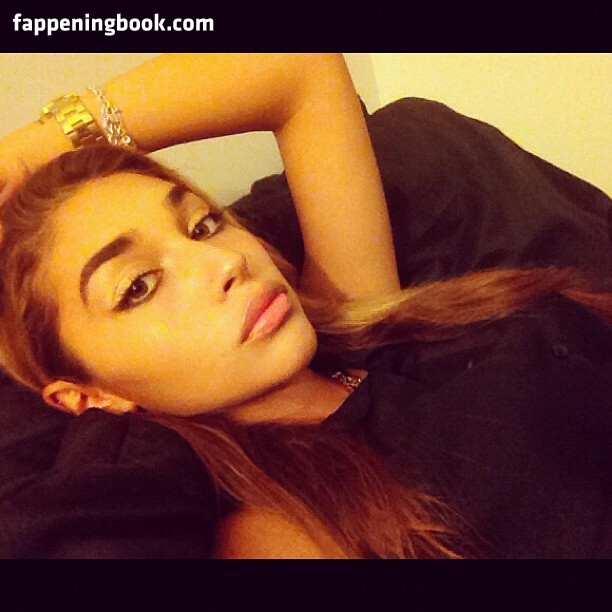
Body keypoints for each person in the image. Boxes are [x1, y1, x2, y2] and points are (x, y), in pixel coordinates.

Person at [0, 54, 611, 558]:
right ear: (87, 396)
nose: (225, 263)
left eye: (204, 225)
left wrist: (34, 147)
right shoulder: (280, 531)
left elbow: (299, 66)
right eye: (138, 285)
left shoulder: (361, 306)